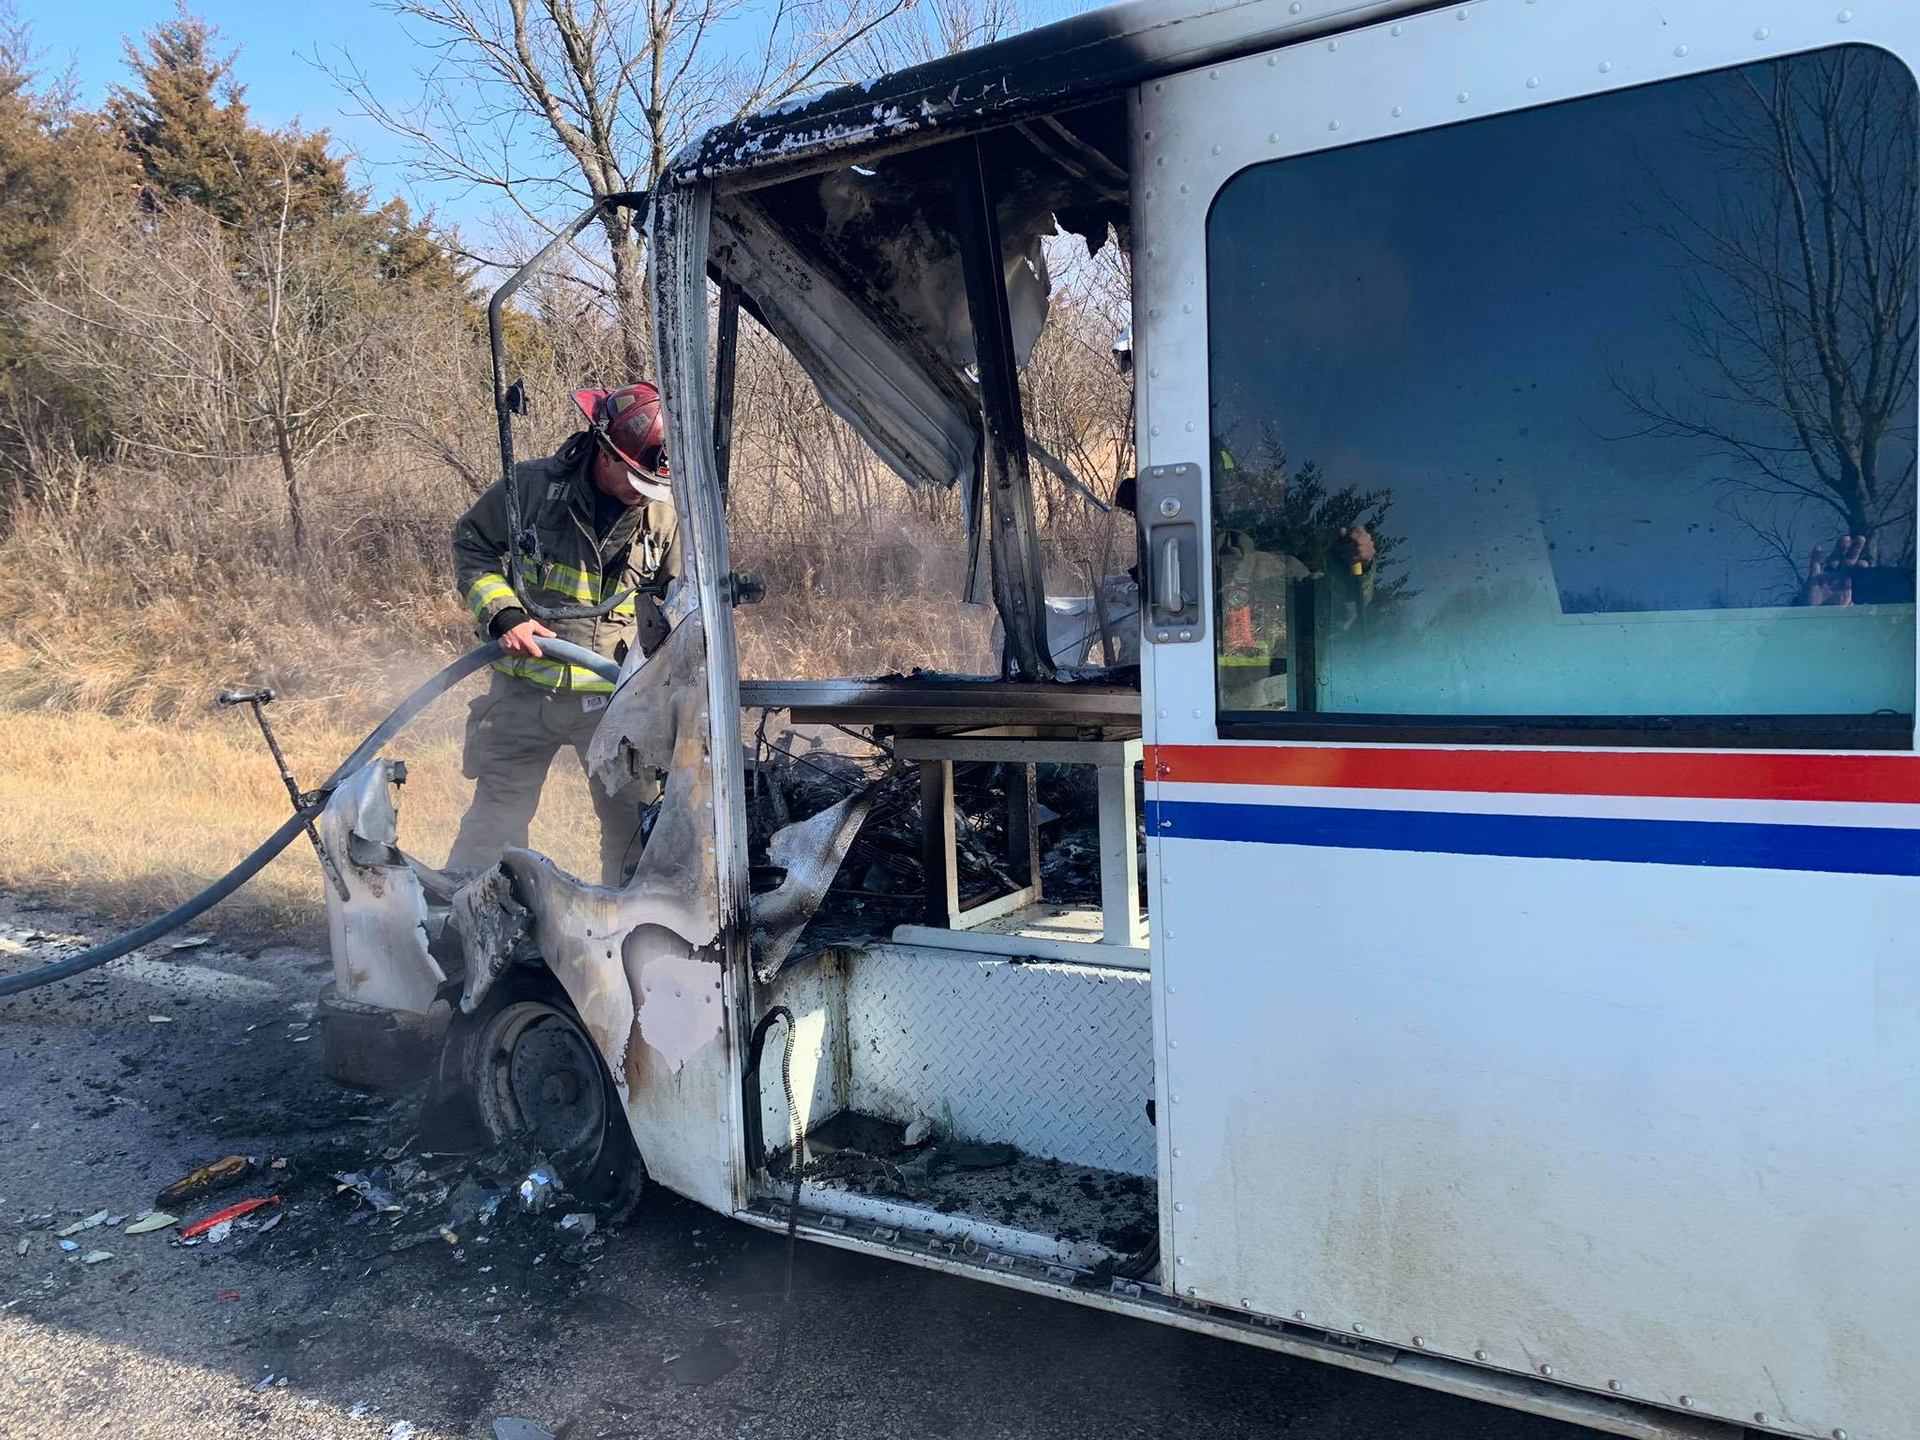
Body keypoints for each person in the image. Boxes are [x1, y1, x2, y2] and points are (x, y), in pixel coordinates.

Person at [446, 383, 679, 886]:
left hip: (614, 702)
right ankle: (463, 929)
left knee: (635, 831)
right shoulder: (528, 489)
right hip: (523, 692)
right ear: (605, 450)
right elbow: (472, 544)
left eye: (653, 485)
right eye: (636, 479)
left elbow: (685, 598)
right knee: (494, 823)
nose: (644, 494)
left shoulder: (665, 515)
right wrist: (503, 613)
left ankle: (629, 940)